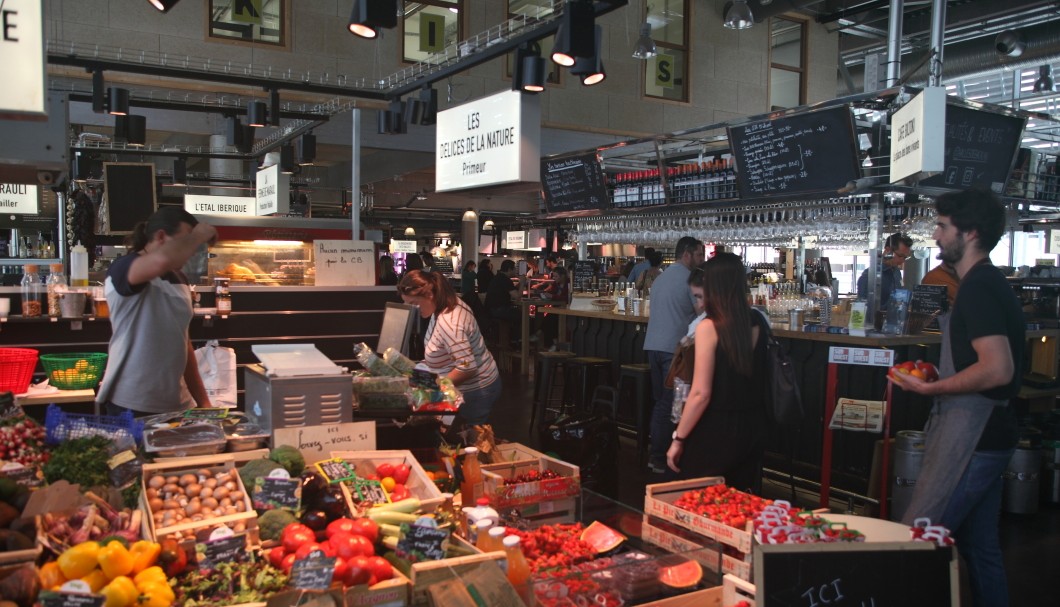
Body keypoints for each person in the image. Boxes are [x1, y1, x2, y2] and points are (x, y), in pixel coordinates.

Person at [890, 188, 1023, 607]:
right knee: (980, 548)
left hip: (974, 437)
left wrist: (933, 388)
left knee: (919, 536)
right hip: (990, 433)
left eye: (943, 227)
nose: (936, 234)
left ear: (971, 233)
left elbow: (997, 368)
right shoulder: (984, 283)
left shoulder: (979, 287)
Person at [96, 207, 217, 417]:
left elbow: (183, 344)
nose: (190, 252)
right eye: (184, 242)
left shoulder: (179, 278)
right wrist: (198, 236)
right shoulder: (124, 267)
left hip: (177, 404)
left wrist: (204, 402)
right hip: (131, 405)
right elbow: (160, 261)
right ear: (161, 237)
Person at [667, 253, 769, 492]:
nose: (701, 303)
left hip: (716, 429)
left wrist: (678, 438)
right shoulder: (758, 322)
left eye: (704, 293)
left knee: (697, 499)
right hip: (753, 427)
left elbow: (701, 394)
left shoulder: (709, 327)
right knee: (738, 502)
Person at [398, 270, 501, 426]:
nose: (413, 309)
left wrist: (434, 386)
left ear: (429, 295)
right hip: (465, 389)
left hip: (475, 391)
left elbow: (466, 368)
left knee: (471, 442)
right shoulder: (442, 305)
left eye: (414, 303)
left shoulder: (450, 322)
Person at [644, 236, 705, 474]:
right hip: (674, 349)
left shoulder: (660, 278)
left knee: (662, 401)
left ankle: (660, 453)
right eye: (700, 254)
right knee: (668, 405)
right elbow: (703, 310)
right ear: (687, 254)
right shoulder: (690, 279)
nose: (702, 259)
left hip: (653, 346)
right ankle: (659, 457)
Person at [856, 232, 913, 306]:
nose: (902, 261)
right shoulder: (870, 275)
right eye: (900, 255)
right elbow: (861, 306)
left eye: (905, 257)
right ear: (888, 250)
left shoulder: (896, 272)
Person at [541, 265, 570, 350]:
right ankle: (555, 343)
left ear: (563, 276)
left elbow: (567, 298)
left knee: (550, 318)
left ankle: (553, 343)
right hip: (557, 310)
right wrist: (546, 294)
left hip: (566, 311)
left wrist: (552, 296)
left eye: (556, 276)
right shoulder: (555, 284)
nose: (554, 278)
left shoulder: (569, 284)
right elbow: (552, 293)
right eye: (554, 276)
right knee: (549, 318)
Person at [485, 259, 520, 328]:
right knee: (520, 314)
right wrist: (523, 283)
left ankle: (512, 337)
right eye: (514, 269)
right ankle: (519, 337)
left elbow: (510, 289)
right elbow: (517, 297)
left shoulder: (497, 277)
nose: (516, 271)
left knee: (516, 312)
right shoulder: (506, 280)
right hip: (498, 310)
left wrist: (520, 283)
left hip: (489, 309)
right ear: (510, 269)